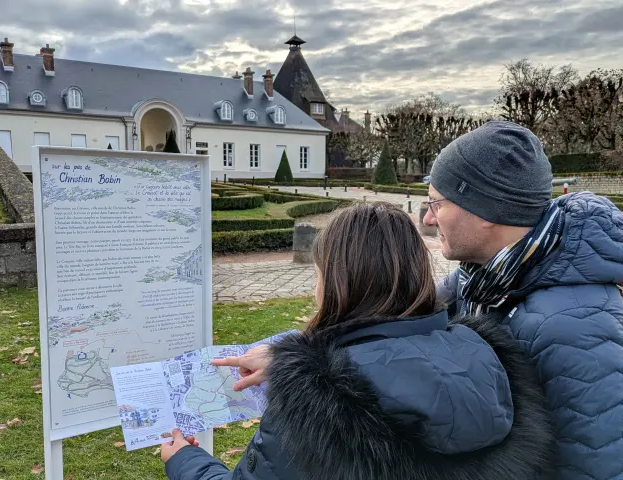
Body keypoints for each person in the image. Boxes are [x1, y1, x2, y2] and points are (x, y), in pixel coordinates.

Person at [161, 202, 554, 480]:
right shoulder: (489, 359)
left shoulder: (313, 404)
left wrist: (185, 461)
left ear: (335, 284)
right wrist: (292, 361)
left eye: (318, 275)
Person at [421, 120, 623, 479]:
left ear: (484, 209)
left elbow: (597, 466)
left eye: (436, 204)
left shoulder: (574, 327)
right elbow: (414, 307)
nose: (428, 218)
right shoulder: (484, 277)